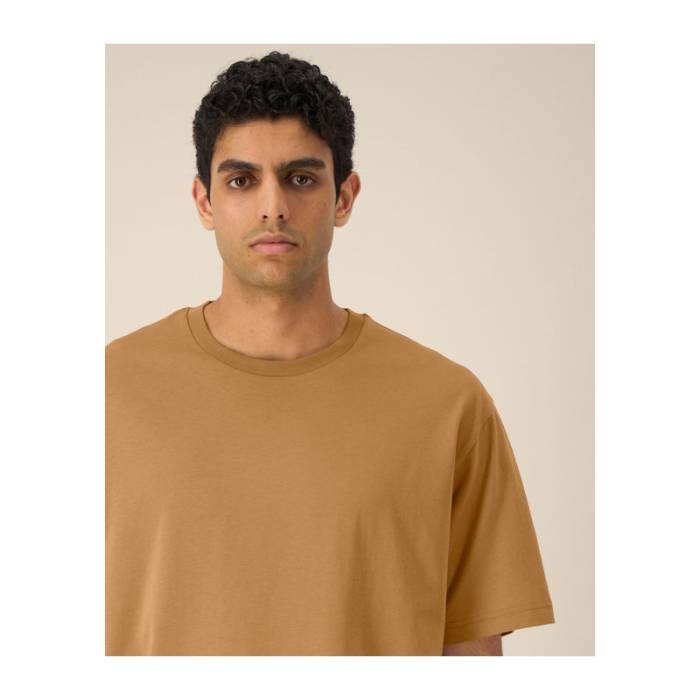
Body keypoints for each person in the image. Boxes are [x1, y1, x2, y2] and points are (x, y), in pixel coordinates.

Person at [105, 51, 555, 656]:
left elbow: (472, 659)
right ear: (204, 201)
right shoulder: (106, 394)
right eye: (241, 180)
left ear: (344, 197)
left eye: (300, 178)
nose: (273, 206)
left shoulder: (447, 405)